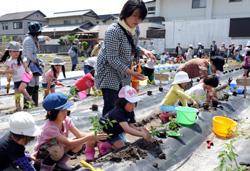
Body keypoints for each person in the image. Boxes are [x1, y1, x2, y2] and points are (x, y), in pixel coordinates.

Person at [96, 0, 156, 116]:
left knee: (123, 101)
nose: (137, 20)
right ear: (126, 13)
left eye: (140, 17)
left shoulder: (135, 29)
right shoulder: (113, 31)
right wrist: (132, 73)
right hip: (109, 71)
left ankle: (120, 128)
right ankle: (107, 132)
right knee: (111, 104)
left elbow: (132, 46)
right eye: (134, 16)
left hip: (123, 70)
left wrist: (144, 51)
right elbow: (112, 59)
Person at [34, 93, 108, 170]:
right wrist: (90, 136)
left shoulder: (66, 120)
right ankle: (45, 167)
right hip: (44, 154)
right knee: (56, 150)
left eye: (66, 109)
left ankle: (61, 163)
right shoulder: (50, 128)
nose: (65, 112)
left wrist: (96, 136)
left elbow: (79, 135)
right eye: (62, 111)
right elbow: (69, 143)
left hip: (60, 148)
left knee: (78, 143)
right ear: (51, 113)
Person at [0, 41, 33, 111]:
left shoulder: (22, 59)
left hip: (25, 77)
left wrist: (30, 73)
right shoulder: (9, 61)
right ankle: (18, 108)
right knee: (17, 96)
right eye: (14, 51)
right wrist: (8, 76)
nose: (16, 53)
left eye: (18, 51)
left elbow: (26, 68)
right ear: (9, 52)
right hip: (16, 80)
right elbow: (8, 71)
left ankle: (30, 99)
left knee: (21, 89)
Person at [22, 22, 47, 107]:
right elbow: (30, 55)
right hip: (28, 65)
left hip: (33, 64)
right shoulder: (29, 40)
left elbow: (40, 38)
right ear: (36, 32)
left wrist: (45, 37)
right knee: (30, 84)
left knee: (36, 84)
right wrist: (38, 61)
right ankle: (27, 105)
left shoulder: (33, 38)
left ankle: (35, 104)